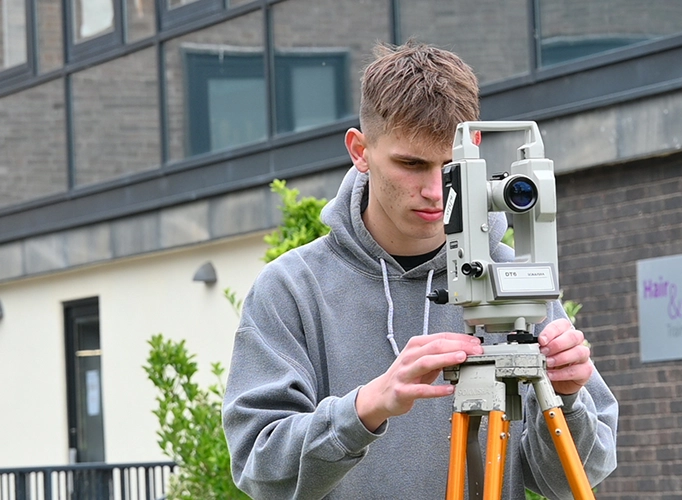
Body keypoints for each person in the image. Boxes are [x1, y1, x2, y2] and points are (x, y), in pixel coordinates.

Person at [222, 41, 618, 500]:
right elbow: (258, 468)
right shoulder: (291, 288)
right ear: (360, 151)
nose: (435, 190)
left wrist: (568, 399)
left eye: (450, 168)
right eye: (412, 164)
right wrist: (366, 408)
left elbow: (571, 481)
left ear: (475, 146)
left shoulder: (514, 277)